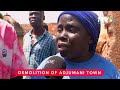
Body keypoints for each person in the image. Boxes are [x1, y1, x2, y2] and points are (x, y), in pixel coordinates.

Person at [32, 11, 120, 79]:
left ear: (90, 38)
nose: (61, 35)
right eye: (59, 30)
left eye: (71, 29)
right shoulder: (47, 65)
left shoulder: (110, 72)